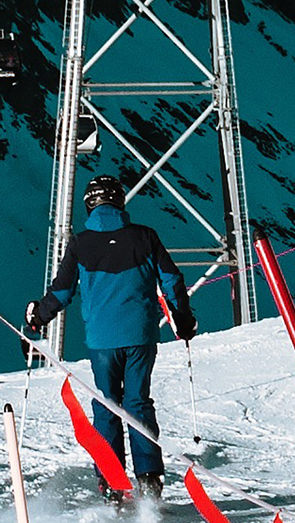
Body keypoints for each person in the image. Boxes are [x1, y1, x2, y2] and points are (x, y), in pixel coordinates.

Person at [24, 175, 196, 503]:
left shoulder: (80, 243)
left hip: (102, 341)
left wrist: (37, 318)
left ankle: (111, 481)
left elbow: (61, 293)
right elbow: (172, 282)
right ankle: (149, 480)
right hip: (142, 337)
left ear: (90, 203)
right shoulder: (146, 237)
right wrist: (184, 321)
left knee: (107, 404)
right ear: (120, 201)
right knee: (138, 403)